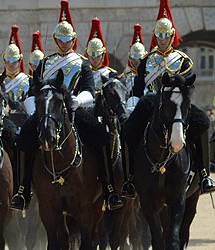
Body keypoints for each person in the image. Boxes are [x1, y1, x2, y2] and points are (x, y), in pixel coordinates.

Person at [11, 0, 119, 211]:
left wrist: (77, 101)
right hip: (48, 112)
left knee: (102, 137)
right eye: (60, 39)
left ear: (74, 40)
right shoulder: (44, 64)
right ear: (55, 40)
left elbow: (89, 89)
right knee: (23, 137)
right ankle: (23, 190)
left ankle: (108, 189)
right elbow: (31, 91)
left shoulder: (82, 63)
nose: (64, 43)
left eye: (68, 39)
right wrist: (36, 113)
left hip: (73, 111)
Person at [123, 0, 215, 196]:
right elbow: (138, 89)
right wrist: (132, 104)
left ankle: (204, 173)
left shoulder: (183, 60)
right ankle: (129, 178)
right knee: (128, 129)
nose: (163, 38)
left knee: (203, 123)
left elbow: (187, 87)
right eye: (160, 35)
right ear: (155, 37)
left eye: (166, 35)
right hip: (151, 106)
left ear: (172, 35)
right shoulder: (146, 61)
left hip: (177, 106)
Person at [84, 17, 126, 209]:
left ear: (103, 55)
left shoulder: (110, 74)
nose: (94, 58)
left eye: (97, 55)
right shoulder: (81, 73)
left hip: (105, 119)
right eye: (91, 55)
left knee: (111, 139)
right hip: (85, 117)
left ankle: (112, 186)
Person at [119, 24, 147, 199]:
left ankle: (200, 172)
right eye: (134, 59)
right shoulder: (122, 78)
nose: (136, 62)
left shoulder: (149, 74)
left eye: (140, 59)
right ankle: (127, 177)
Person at [2, 25, 34, 129]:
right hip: (4, 122)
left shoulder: (29, 81)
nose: (11, 64)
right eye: (8, 61)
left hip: (25, 122)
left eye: (14, 61)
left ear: (19, 61)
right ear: (4, 61)